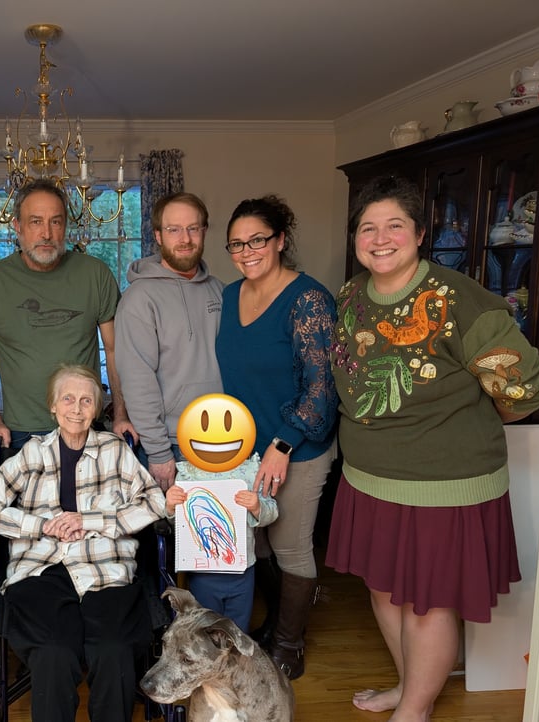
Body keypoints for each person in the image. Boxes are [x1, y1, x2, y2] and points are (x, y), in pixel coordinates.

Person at [325, 175, 539, 720]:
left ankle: (416, 710)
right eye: (368, 227)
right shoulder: (352, 292)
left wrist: (458, 422)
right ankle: (411, 686)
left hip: (442, 485)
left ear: (420, 234)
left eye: (394, 226)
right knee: (384, 590)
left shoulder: (461, 299)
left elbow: (528, 388)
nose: (380, 238)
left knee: (426, 604)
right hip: (369, 476)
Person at [0, 364, 169, 722]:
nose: (76, 408)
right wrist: (42, 525)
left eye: (86, 400)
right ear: (53, 406)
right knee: (52, 652)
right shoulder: (33, 453)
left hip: (105, 569)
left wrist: (89, 522)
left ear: (97, 408)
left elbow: (156, 504)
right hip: (42, 568)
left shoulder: (116, 451)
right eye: (68, 399)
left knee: (113, 651)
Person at [214, 194, 338, 680]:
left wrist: (282, 445)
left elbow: (322, 388)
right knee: (256, 542)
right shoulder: (229, 295)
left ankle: (290, 646)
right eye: (236, 244)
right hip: (245, 447)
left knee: (289, 544)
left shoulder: (308, 300)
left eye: (257, 240)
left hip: (299, 445)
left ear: (281, 240)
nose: (247, 252)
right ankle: (274, 625)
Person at [0, 178, 135, 452]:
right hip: (21, 432)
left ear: (65, 226)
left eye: (55, 222)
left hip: (85, 425)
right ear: (17, 227)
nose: (46, 233)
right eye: (35, 222)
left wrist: (120, 415)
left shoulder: (95, 275)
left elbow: (115, 350)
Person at [114, 192, 224, 491]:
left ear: (204, 232)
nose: (185, 238)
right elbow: (137, 379)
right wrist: (159, 451)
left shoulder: (220, 290)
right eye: (174, 229)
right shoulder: (139, 299)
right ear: (158, 236)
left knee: (220, 532)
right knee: (174, 536)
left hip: (223, 435)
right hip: (172, 444)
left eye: (193, 228)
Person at [165, 457, 279, 630]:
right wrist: (171, 508)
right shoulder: (188, 473)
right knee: (205, 632)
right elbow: (181, 526)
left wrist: (257, 507)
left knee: (239, 631)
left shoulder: (251, 469)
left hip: (243, 572)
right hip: (202, 574)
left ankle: (235, 658)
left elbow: (272, 511)